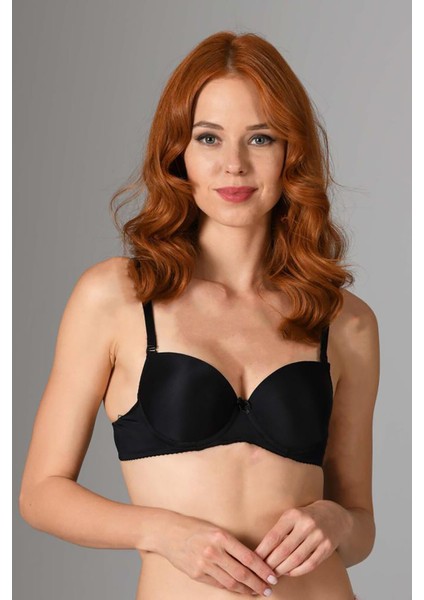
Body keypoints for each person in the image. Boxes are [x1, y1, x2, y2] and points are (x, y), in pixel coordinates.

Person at [19, 30, 379, 599]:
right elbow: (41, 494)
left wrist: (337, 522)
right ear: (178, 154)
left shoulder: (344, 321)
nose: (234, 164)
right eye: (208, 138)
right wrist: (163, 533)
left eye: (260, 138)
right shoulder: (117, 298)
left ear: (292, 153)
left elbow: (360, 526)